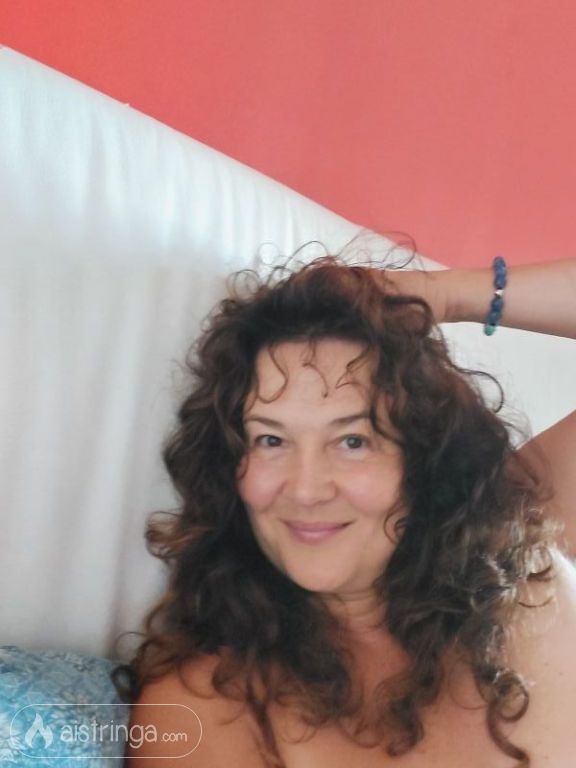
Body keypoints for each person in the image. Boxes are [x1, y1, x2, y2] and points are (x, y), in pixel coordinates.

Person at [113, 239, 576, 767]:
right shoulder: (205, 707)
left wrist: (445, 294)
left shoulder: (523, 543)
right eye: (271, 440)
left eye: (353, 440)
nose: (306, 489)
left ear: (423, 458)